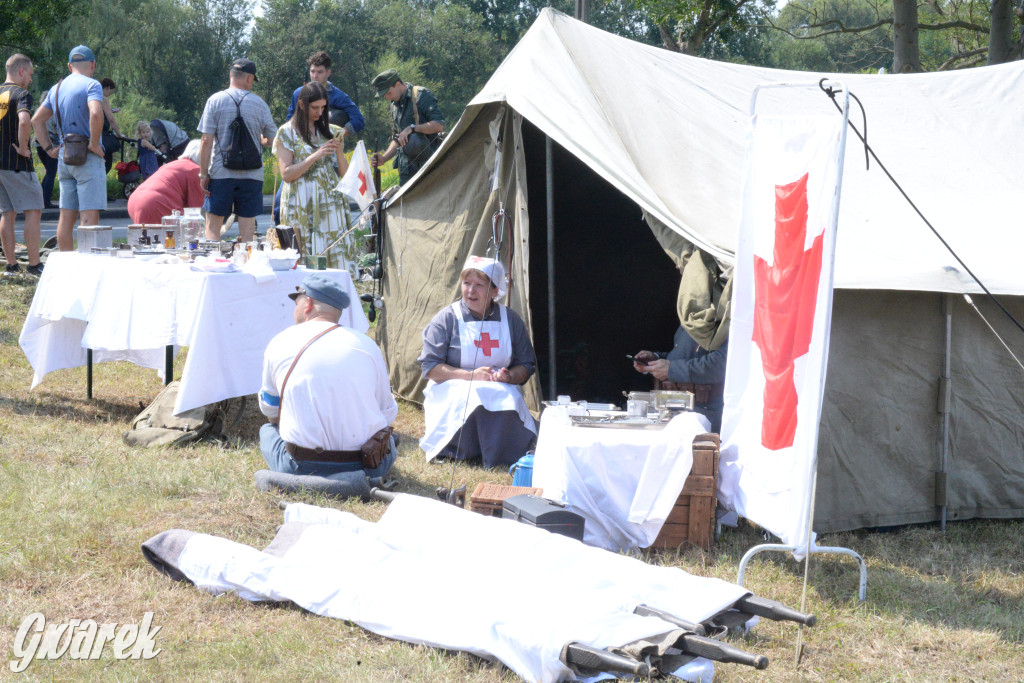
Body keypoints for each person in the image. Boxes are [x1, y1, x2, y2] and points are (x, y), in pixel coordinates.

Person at [259, 272, 398, 480]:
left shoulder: (279, 342)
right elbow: (387, 412)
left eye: (296, 301)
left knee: (267, 430)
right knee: (391, 441)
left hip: (300, 466)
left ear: (307, 304)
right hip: (366, 464)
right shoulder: (367, 345)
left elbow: (270, 409)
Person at [418, 256, 537, 468]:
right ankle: (461, 449)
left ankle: (504, 451)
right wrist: (470, 376)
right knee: (472, 394)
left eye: (479, 285)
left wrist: (510, 376)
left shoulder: (510, 319)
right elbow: (430, 368)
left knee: (506, 396)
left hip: (499, 385)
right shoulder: (446, 319)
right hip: (453, 387)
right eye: (467, 283)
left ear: (494, 291)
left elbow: (526, 364)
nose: (470, 291)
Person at [274, 50, 365, 224]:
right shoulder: (299, 93)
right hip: (299, 157)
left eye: (320, 72)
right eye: (312, 71)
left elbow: (358, 120)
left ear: (328, 73)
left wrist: (336, 135)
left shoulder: (338, 96)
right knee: (279, 202)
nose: (315, 76)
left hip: (326, 156)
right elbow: (291, 120)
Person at [32, 45, 106, 252]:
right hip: (87, 156)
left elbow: (37, 120)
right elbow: (96, 114)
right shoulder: (92, 85)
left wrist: (48, 148)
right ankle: (88, 267)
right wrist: (93, 143)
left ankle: (65, 265)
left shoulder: (56, 88)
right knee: (89, 216)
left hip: (65, 156)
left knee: (66, 216)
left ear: (69, 66)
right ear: (92, 65)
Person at [274, 81, 354, 273]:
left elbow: (345, 175)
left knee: (333, 248)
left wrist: (340, 152)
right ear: (302, 105)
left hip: (329, 199)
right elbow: (286, 174)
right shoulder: (287, 132)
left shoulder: (332, 131)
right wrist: (315, 156)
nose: (320, 112)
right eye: (315, 107)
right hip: (300, 201)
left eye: (323, 107)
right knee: (303, 250)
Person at [197, 57, 276, 242]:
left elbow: (206, 139)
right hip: (252, 176)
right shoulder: (260, 104)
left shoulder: (214, 100)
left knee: (213, 228)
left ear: (231, 75)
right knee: (248, 233)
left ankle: (213, 264)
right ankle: (248, 265)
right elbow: (273, 140)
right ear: (249, 78)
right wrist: (260, 140)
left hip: (221, 174)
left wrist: (203, 174)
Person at [0, 54, 45, 276]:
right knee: (33, 208)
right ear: (21, 71)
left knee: (7, 213)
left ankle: (11, 265)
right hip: (15, 162)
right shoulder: (21, 94)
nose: (30, 79)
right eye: (29, 74)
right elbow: (25, 120)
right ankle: (35, 264)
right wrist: (23, 147)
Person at [369, 69, 445, 186]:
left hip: (429, 166)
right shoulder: (394, 107)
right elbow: (398, 138)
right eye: (385, 95)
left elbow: (439, 125)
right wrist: (384, 158)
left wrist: (413, 128)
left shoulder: (421, 96)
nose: (387, 98)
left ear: (398, 84)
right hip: (407, 171)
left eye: (388, 93)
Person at [127, 139, 204, 224]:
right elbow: (196, 211)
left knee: (147, 236)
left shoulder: (172, 164)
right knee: (188, 230)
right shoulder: (195, 170)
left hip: (135, 199)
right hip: (156, 202)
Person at [34, 89, 59, 209]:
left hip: (39, 145)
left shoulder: (37, 111)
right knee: (51, 173)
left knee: (49, 172)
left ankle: (41, 198)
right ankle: (46, 201)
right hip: (51, 145)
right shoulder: (52, 112)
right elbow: (57, 128)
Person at [99, 77, 122, 173]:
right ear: (107, 88)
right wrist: (119, 134)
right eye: (110, 92)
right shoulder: (102, 99)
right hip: (101, 135)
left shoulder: (90, 96)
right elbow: (111, 119)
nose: (109, 95)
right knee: (106, 165)